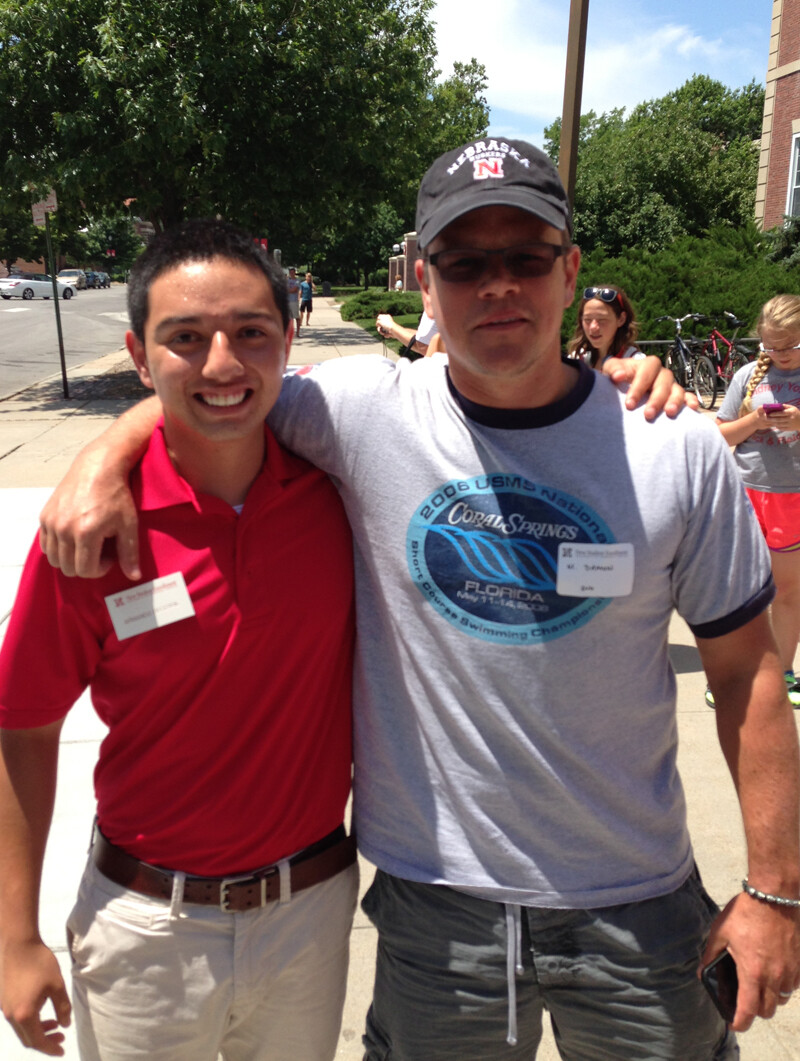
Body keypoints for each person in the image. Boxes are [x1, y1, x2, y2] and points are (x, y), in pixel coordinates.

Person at [37, 138, 800, 1060]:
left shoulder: (672, 447)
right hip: (438, 911)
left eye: (525, 258)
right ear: (428, 281)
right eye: (464, 263)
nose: (497, 286)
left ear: (572, 271)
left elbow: (752, 673)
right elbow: (213, 378)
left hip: (637, 901)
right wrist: (102, 453)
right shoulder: (360, 412)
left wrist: (775, 889)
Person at [0, 220, 358, 1060]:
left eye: (250, 333)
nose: (223, 364)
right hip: (145, 927)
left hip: (311, 912)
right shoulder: (89, 532)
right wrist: (14, 935)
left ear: (289, 338)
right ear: (138, 353)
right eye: (185, 339)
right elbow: (21, 725)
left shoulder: (340, 488)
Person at [714, 293, 800, 709]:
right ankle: (735, 674)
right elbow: (720, 437)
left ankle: (784, 673)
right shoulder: (749, 374)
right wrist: (755, 419)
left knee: (786, 592)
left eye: (789, 345)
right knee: (740, 592)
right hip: (746, 493)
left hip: (793, 498)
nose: (780, 354)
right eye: (772, 346)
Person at [567, 284, 643, 367]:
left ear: (621, 319)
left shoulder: (636, 363)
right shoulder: (576, 359)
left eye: (602, 320)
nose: (593, 327)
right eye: (587, 320)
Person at [286, 265, 302, 334]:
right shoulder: (286, 280)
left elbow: (294, 290)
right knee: (289, 318)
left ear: (295, 272)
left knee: (296, 317)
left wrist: (286, 290)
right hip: (287, 301)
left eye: (293, 272)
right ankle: (289, 332)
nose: (292, 273)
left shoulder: (297, 281)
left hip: (294, 301)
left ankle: (298, 332)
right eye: (290, 272)